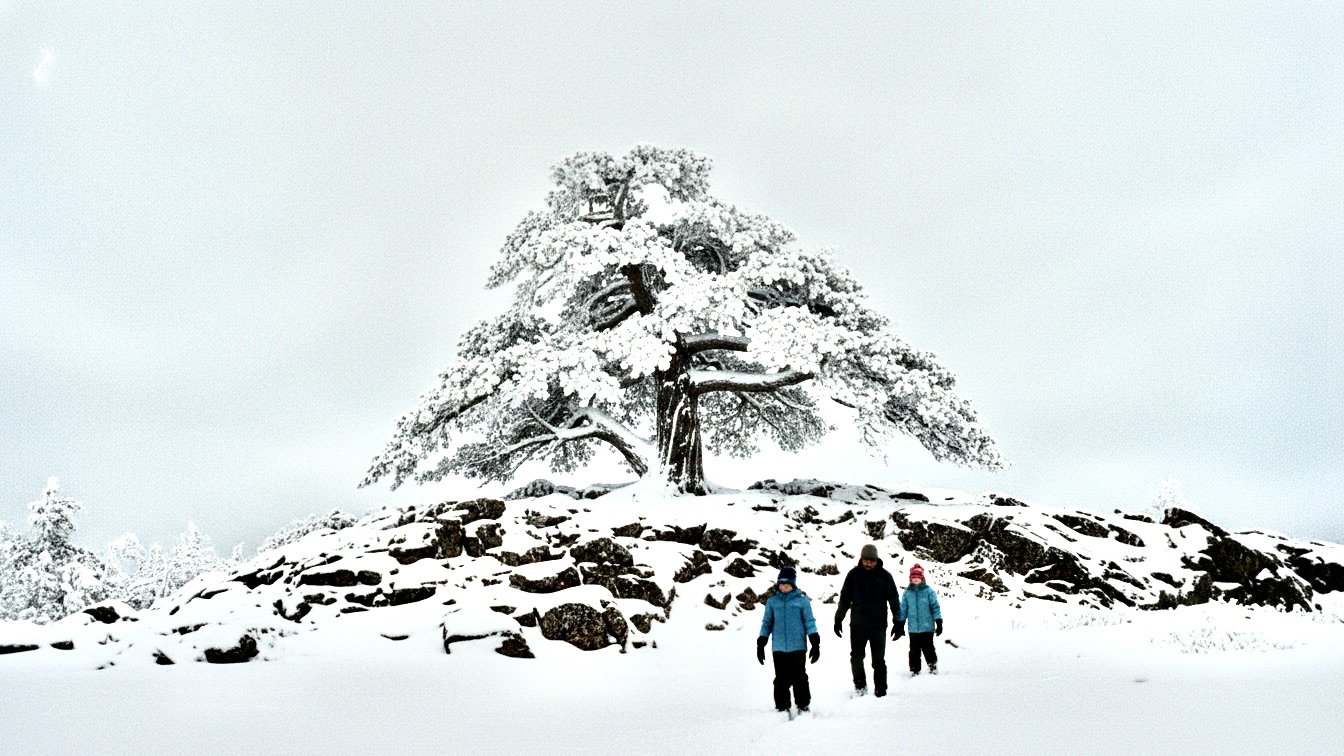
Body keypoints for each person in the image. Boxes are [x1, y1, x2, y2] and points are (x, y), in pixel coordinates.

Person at [833, 544, 900, 697]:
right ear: (861, 559)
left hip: (878, 626)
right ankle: (860, 688)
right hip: (858, 625)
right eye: (865, 560)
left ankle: (881, 691)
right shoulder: (853, 575)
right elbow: (844, 599)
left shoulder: (885, 577)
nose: (868, 564)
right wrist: (838, 619)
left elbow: (894, 600)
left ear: (876, 560)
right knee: (856, 658)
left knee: (878, 661)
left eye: (871, 561)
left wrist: (898, 622)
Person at [757, 566, 821, 713]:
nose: (784, 586)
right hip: (778, 648)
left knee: (799, 678)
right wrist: (761, 642)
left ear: (793, 584)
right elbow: (767, 623)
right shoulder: (772, 602)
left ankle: (803, 705)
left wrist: (815, 642)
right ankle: (782, 707)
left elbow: (809, 622)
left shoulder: (802, 602)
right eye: (781, 583)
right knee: (780, 679)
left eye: (787, 583)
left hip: (798, 647)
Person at [895, 563, 943, 676]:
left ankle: (932, 666)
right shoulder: (907, 593)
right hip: (913, 629)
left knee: (928, 649)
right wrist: (900, 624)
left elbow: (935, 607)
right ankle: (915, 670)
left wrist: (938, 621)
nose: (916, 580)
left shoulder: (928, 591)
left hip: (927, 627)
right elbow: (903, 609)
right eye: (913, 578)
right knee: (914, 651)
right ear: (910, 579)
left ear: (922, 578)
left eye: (918, 577)